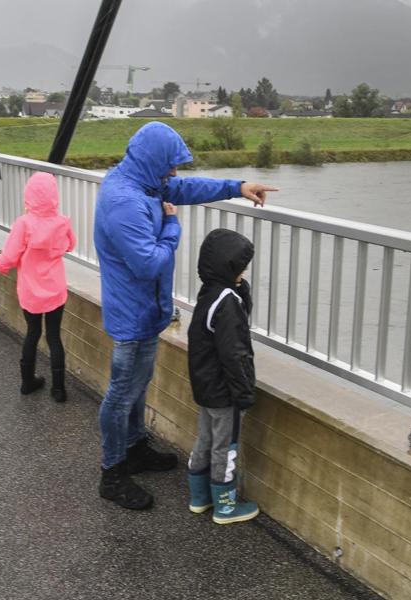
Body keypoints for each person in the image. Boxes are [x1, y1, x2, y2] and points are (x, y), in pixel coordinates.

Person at [93, 121, 277, 510]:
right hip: (132, 312)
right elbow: (148, 264)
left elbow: (185, 188)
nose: (174, 172)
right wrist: (173, 225)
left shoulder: (144, 181)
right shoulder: (124, 201)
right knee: (122, 391)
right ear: (153, 161)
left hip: (146, 308)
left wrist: (237, 187)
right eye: (170, 165)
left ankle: (135, 447)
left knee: (139, 384)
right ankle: (112, 473)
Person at [186, 228, 259, 525]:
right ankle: (225, 507)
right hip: (223, 389)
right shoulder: (228, 301)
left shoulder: (211, 291)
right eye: (242, 265)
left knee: (205, 438)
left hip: (204, 383)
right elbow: (236, 352)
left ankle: (199, 498)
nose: (245, 269)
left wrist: (240, 287)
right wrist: (244, 393)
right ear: (231, 267)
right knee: (225, 446)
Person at [0, 172, 76, 401]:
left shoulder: (24, 224)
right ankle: (58, 390)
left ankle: (28, 382)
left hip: (30, 291)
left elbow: (8, 257)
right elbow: (70, 245)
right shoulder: (62, 222)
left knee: (32, 332)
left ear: (28, 196)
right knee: (54, 337)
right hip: (56, 291)